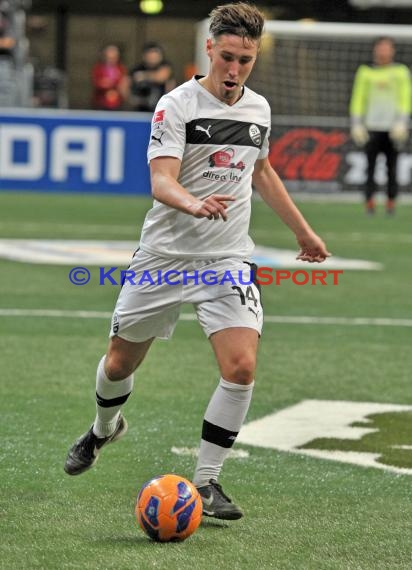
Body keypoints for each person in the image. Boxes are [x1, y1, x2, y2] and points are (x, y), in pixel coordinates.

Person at [65, 2, 330, 520]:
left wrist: (304, 231)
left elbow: (263, 172)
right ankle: (103, 431)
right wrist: (193, 203)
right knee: (119, 363)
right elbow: (161, 179)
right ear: (208, 47)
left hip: (227, 259)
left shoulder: (258, 110)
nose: (234, 71)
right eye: (227, 57)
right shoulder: (176, 105)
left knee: (242, 366)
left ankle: (206, 482)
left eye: (245, 61)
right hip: (164, 256)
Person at [350, 36, 411, 215]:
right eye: (381, 47)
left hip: (393, 129)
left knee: (392, 168)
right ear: (375, 50)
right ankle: (369, 202)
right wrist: (356, 123)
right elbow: (358, 97)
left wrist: (402, 121)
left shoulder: (400, 71)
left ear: (392, 51)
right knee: (369, 167)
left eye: (387, 47)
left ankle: (391, 203)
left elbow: (406, 97)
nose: (384, 51)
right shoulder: (365, 72)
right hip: (371, 127)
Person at [128, 42, 175, 112]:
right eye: (150, 56)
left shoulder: (165, 66)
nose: (152, 58)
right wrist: (131, 99)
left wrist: (143, 76)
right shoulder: (137, 69)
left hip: (161, 108)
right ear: (144, 56)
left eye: (155, 55)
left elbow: (161, 77)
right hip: (140, 108)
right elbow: (125, 84)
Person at [91, 44, 128, 111]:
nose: (111, 59)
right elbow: (98, 83)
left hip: (117, 105)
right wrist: (114, 84)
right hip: (101, 104)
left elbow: (123, 85)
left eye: (114, 57)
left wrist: (111, 83)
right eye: (109, 56)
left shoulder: (121, 69)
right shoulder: (98, 68)